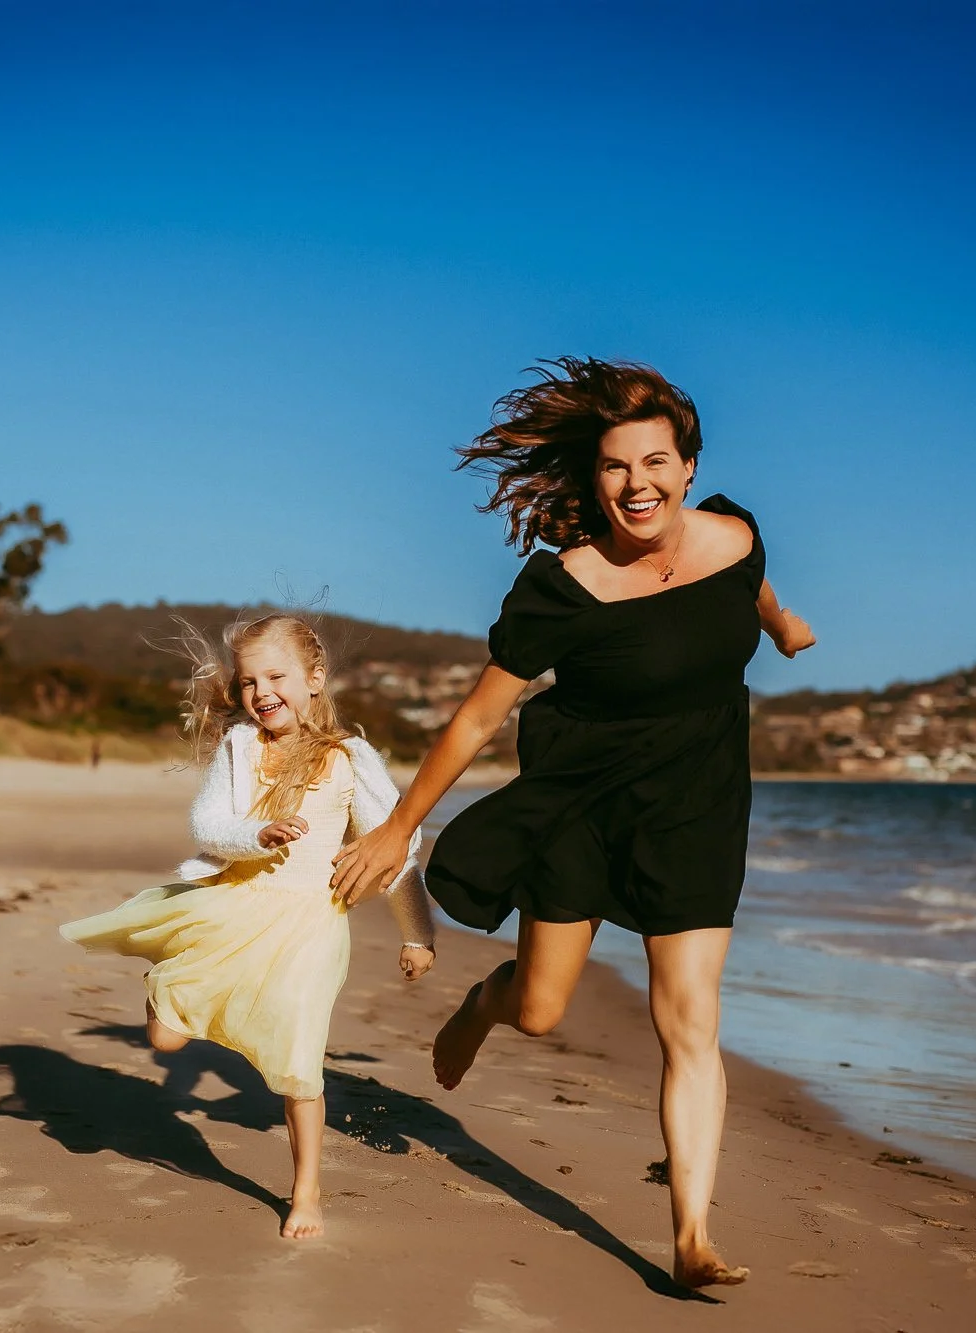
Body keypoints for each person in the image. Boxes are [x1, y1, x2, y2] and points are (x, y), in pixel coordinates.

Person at [330, 357, 814, 1289]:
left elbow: (753, 588)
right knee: (544, 1009)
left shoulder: (736, 533)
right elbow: (479, 717)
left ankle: (691, 1236)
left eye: (657, 462)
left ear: (688, 463)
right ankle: (487, 1002)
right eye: (616, 467)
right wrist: (399, 829)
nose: (639, 484)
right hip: (582, 798)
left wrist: (784, 626)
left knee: (690, 1018)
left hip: (699, 800)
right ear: (593, 479)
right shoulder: (564, 585)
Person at [60, 614, 437, 1240]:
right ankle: (164, 976)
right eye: (247, 681)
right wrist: (254, 836)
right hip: (235, 903)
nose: (261, 692)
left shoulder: (351, 759)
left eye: (275, 676)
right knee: (166, 1045)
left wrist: (417, 934)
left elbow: (397, 853)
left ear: (315, 680)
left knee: (300, 1058)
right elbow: (208, 824)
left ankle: (307, 1192)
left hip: (313, 925)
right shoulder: (241, 747)